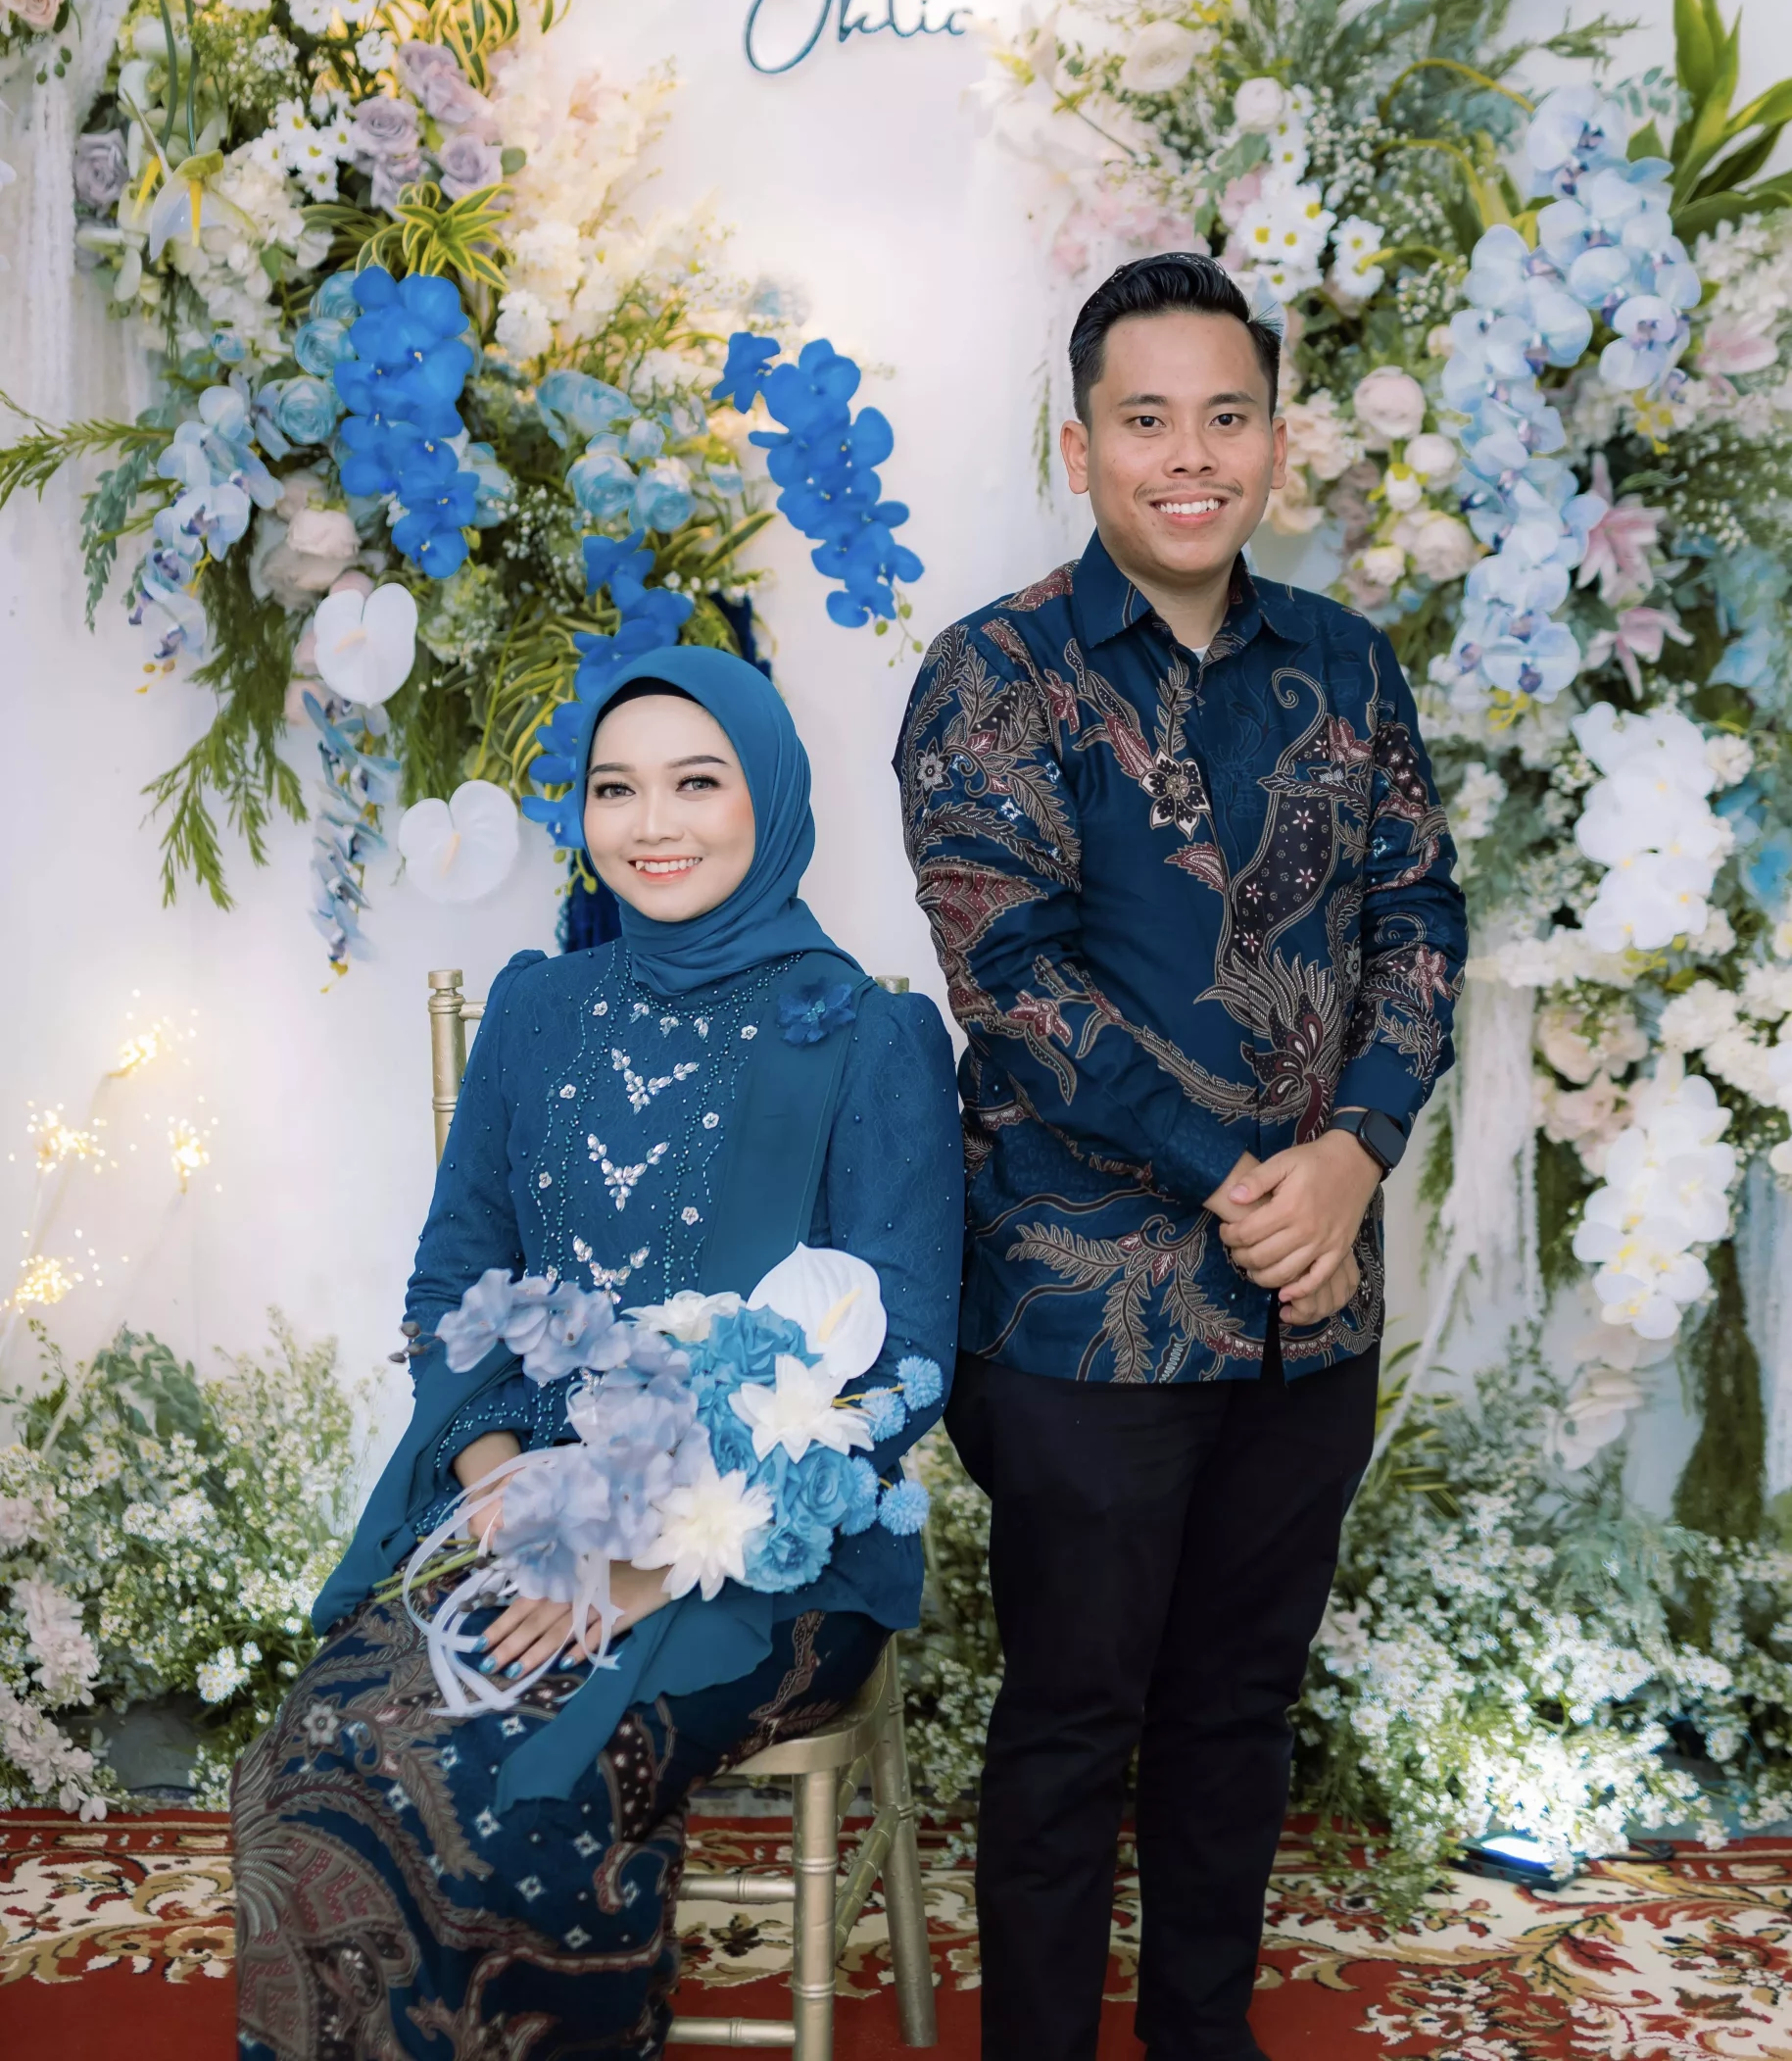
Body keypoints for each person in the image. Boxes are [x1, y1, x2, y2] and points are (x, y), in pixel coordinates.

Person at [895, 251, 1467, 2061]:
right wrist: (1239, 1177)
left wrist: (1357, 1155)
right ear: (1082, 451)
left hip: (1311, 1307)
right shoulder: (996, 675)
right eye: (1148, 421)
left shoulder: (1347, 667)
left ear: (1277, 442)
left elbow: (1420, 922)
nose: (1192, 456)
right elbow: (1015, 983)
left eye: (1228, 416)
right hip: (1087, 1318)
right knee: (1077, 1721)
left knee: (1239, 1714)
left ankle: (1203, 2038)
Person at [234, 648, 963, 2060]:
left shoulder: (868, 1038)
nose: (653, 824)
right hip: (533, 1503)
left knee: (512, 1783)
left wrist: (648, 1561)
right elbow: (459, 1279)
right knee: (319, 1751)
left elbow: (905, 1367)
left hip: (766, 1550)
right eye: (615, 790)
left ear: (772, 798)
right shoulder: (538, 1012)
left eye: (697, 782)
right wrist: (507, 1482)